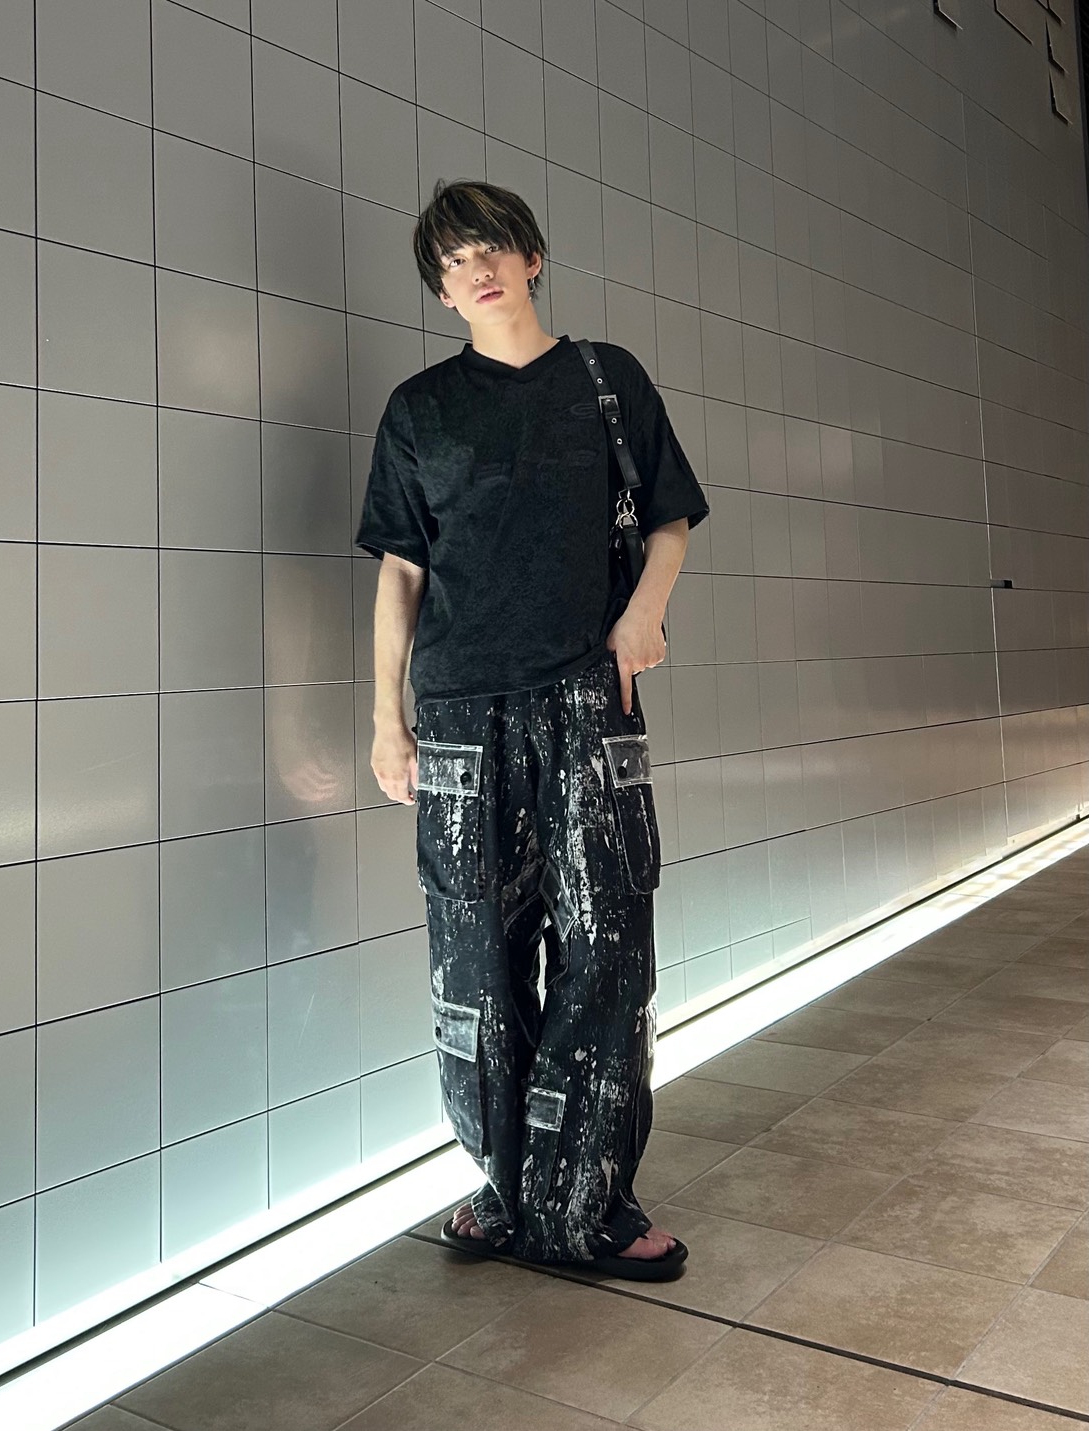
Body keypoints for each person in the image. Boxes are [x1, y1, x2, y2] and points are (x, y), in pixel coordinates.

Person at [355, 178, 709, 1281]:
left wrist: (642, 616)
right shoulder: (419, 409)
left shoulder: (606, 380)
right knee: (476, 964)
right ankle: (509, 1190)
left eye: (489, 249)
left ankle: (589, 1202)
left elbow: (668, 519)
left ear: (531, 256)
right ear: (441, 290)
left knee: (606, 952)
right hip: (461, 717)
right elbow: (400, 572)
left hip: (586, 701)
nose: (476, 270)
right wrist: (387, 720)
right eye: (453, 262)